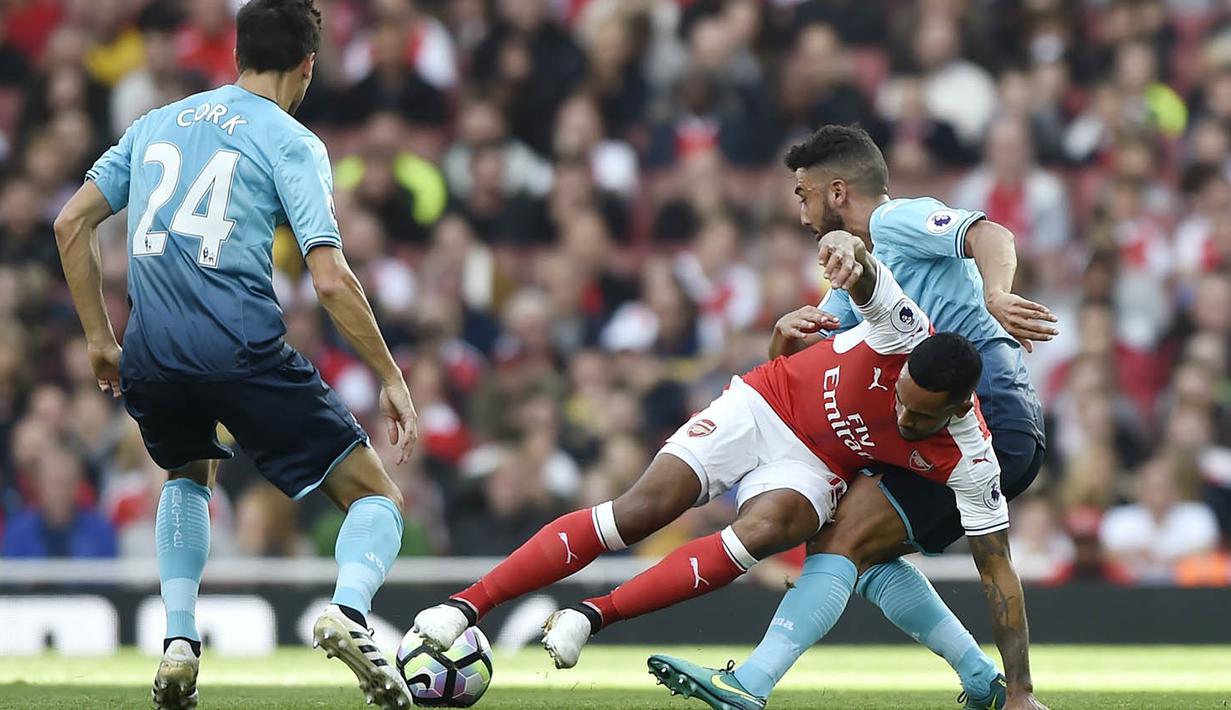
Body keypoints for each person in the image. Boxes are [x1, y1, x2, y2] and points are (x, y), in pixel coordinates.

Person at [411, 226, 1029, 680]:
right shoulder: (904, 330)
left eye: (918, 416)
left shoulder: (972, 458)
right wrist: (845, 246)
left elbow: (997, 570)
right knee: (638, 512)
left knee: (764, 531)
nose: (900, 415)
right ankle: (465, 605)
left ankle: (594, 616)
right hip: (763, 403)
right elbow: (868, 275)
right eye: (898, 398)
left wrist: (1023, 690)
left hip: (816, 467)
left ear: (956, 409)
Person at [51, 2, 418, 708]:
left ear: (236, 54)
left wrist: (101, 339)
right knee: (374, 495)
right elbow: (332, 277)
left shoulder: (156, 121)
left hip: (151, 355)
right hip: (241, 348)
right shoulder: (292, 141)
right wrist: (391, 377)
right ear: (306, 65)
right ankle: (346, 615)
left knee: (190, 473)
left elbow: (72, 222)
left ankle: (181, 642)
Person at [649, 125, 1052, 710]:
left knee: (843, 539)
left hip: (986, 407)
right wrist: (779, 342)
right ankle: (988, 684)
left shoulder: (895, 222)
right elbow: (800, 380)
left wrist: (995, 296)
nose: (802, 211)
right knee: (852, 545)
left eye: (804, 194)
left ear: (837, 192)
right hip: (924, 417)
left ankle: (752, 684)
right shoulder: (849, 282)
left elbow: (991, 234)